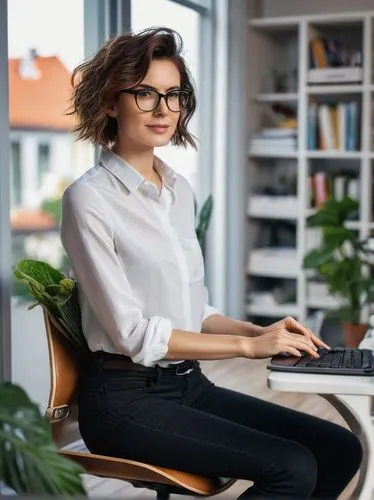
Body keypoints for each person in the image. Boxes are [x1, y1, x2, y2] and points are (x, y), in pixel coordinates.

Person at [61, 27, 362, 498]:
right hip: (125, 401)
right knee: (291, 466)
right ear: (108, 103)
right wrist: (247, 351)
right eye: (144, 93)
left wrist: (257, 332)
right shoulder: (89, 200)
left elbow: (193, 311)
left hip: (188, 384)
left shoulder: (178, 191)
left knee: (340, 448)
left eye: (174, 94)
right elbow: (133, 334)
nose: (163, 109)